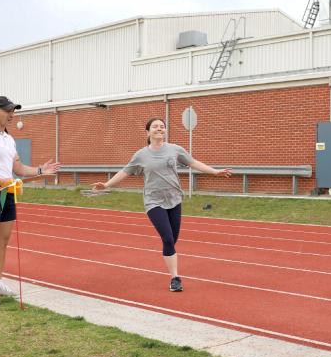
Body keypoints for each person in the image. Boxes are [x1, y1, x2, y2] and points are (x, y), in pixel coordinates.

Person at [92, 117, 231, 292]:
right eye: (155, 126)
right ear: (148, 132)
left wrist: (215, 172)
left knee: (172, 240)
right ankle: (175, 278)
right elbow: (125, 171)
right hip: (153, 201)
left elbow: (193, 162)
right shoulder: (141, 154)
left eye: (162, 126)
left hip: (174, 199)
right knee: (167, 238)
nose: (159, 128)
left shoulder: (175, 149)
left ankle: (171, 264)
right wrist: (106, 184)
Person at [0, 96, 61, 310]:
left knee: (3, 239)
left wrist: (39, 171)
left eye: (13, 110)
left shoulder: (9, 139)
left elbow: (18, 169)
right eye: (8, 110)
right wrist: (1, 182)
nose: (12, 114)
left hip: (7, 192)